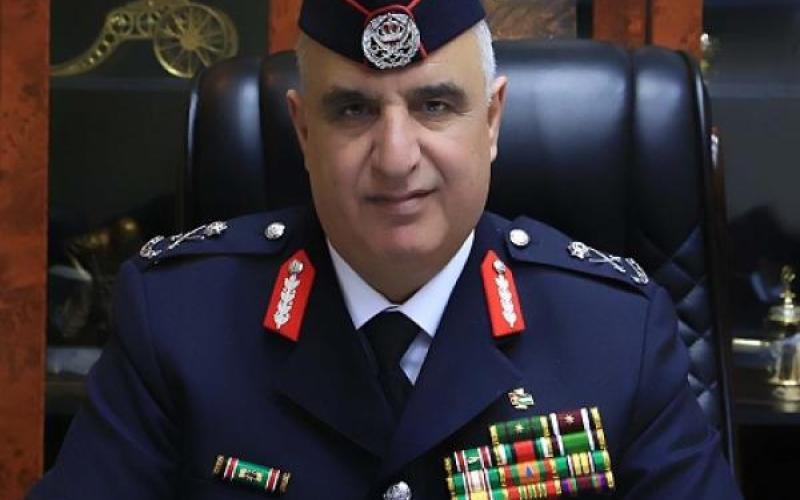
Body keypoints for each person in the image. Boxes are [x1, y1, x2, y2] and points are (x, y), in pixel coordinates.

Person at [31, 1, 743, 498]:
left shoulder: (616, 334)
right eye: (353, 110)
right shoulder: (177, 319)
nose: (396, 157)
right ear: (302, 131)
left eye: (435, 105)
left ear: (492, 121)